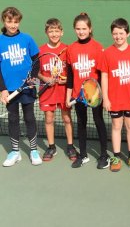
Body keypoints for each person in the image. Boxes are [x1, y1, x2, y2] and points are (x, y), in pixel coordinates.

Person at [65, 12, 110, 169]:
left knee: (98, 122)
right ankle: (83, 155)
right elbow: (70, 75)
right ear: (74, 29)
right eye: (78, 28)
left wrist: (102, 94)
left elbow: (102, 74)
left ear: (90, 29)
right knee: (81, 123)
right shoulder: (71, 49)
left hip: (94, 94)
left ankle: (104, 155)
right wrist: (68, 96)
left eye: (84, 28)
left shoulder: (97, 47)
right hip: (78, 95)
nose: (81, 31)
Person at [0, 6, 42, 166]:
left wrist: (31, 78)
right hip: (9, 89)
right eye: (9, 21)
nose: (12, 24)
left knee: (30, 117)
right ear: (4, 21)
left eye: (16, 21)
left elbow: (37, 60)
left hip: (27, 87)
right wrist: (2, 89)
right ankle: (15, 152)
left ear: (19, 22)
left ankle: (33, 150)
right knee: (12, 119)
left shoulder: (27, 39)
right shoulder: (0, 40)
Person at [101, 18, 130, 172]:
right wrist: (105, 98)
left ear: (128, 33)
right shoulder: (107, 53)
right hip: (114, 99)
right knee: (116, 126)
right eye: (115, 33)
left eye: (121, 33)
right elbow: (104, 76)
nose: (118, 36)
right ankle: (117, 156)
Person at [38, 18, 77, 162]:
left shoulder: (68, 49)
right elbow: (37, 71)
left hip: (64, 91)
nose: (54, 34)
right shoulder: (41, 50)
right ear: (46, 32)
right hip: (47, 91)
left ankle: (70, 145)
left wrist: (67, 80)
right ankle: (51, 146)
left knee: (67, 118)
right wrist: (45, 79)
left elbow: (73, 71)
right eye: (51, 31)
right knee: (49, 118)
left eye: (56, 31)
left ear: (62, 32)